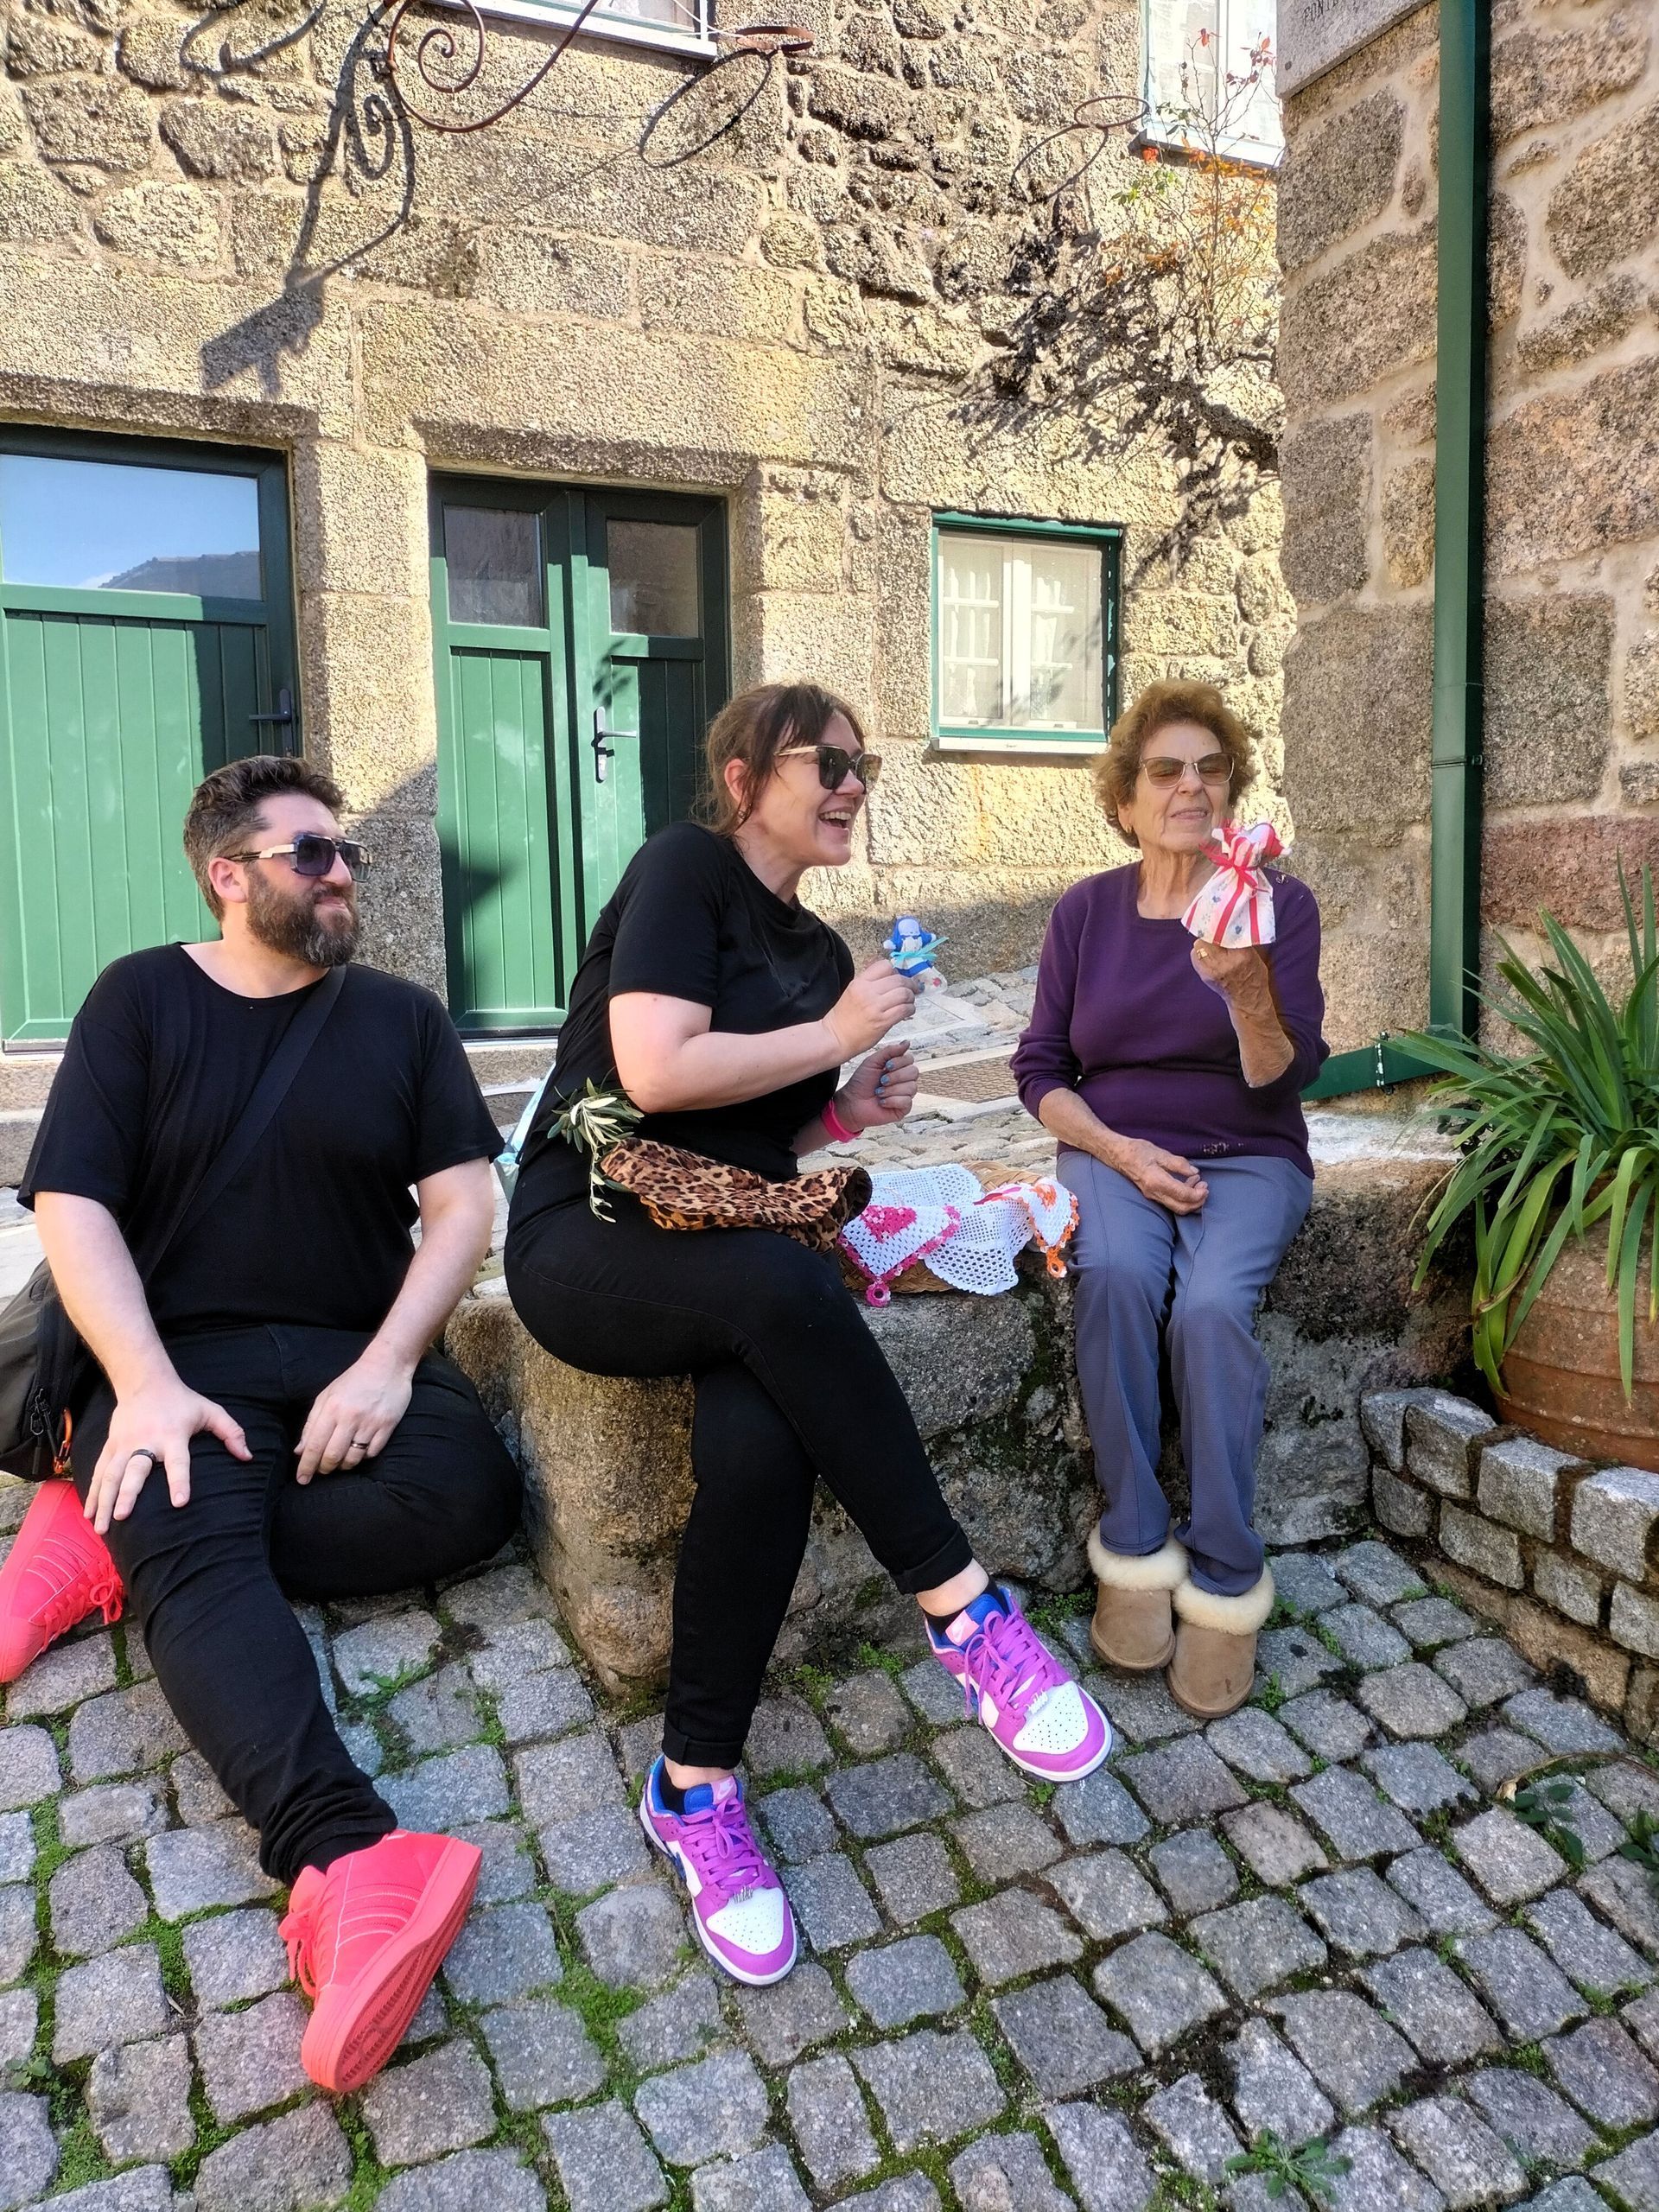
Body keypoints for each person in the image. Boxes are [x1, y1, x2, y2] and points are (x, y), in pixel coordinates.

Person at [505, 680, 1111, 1986]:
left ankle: (694, 1787)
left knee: (766, 1443)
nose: (850, 784)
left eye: (861, 764)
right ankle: (964, 1611)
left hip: (723, 1237)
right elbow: (655, 1072)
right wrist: (832, 1036)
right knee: (790, 1292)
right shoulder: (686, 871)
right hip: (588, 1226)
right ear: (743, 778)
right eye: (823, 761)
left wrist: (847, 1111)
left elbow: (754, 1143)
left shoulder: (826, 958)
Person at [0, 756, 522, 2093]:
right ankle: (349, 1860)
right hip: (179, 1359)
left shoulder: (400, 1020)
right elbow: (72, 1206)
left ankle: (118, 1532)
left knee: (469, 1499)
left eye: (346, 853)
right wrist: (145, 1387)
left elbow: (463, 1204)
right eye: (313, 855)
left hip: (350, 1354)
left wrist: (391, 1368)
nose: (343, 873)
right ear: (228, 876)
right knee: (186, 1507)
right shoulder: (139, 998)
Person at [1013, 681, 1327, 1719]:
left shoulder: (1276, 906)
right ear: (1126, 800)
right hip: (1114, 1149)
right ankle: (1136, 1541)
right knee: (1113, 1275)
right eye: (1165, 771)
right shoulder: (1085, 912)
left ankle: (1228, 1575)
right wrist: (1121, 1152)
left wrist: (1243, 988)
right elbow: (1040, 1069)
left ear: (1230, 792)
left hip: (1250, 1151)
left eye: (1211, 769)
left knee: (1210, 1309)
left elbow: (1285, 1075)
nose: (1192, 786)